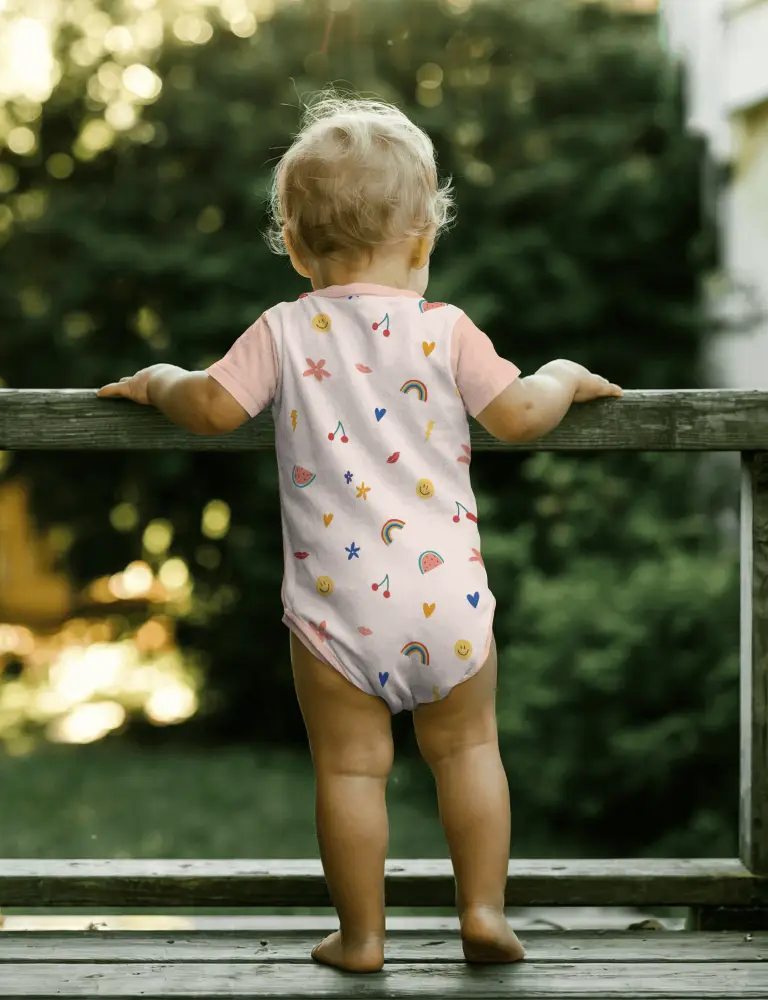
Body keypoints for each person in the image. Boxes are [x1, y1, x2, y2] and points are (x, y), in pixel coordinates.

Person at [99, 94, 622, 974]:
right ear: (424, 239)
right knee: (469, 750)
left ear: (295, 246)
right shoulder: (446, 330)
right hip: (446, 597)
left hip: (336, 608)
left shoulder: (283, 330)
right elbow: (522, 415)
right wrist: (565, 374)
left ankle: (363, 937)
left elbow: (212, 407)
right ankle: (483, 912)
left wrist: (157, 379)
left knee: (350, 771)